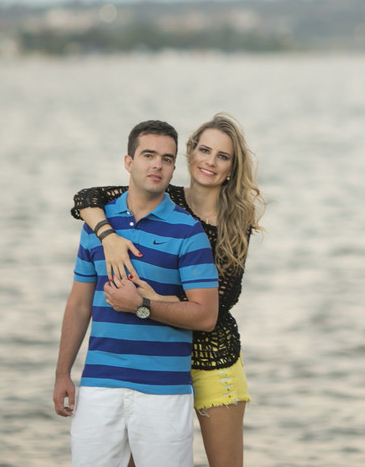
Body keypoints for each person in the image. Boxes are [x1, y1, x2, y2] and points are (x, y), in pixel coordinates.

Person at [71, 113, 266, 467]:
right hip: (157, 355)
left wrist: (150, 299)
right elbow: (86, 197)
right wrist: (108, 237)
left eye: (222, 156)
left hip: (212, 358)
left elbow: (220, 303)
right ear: (188, 155)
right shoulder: (165, 196)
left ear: (232, 168)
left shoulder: (238, 219)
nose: (210, 161)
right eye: (204, 150)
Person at [53, 120, 220, 467]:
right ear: (129, 162)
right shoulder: (97, 226)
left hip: (164, 391)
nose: (157, 164)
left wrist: (142, 305)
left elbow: (205, 316)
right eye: (148, 155)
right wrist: (62, 372)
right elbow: (80, 303)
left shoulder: (189, 232)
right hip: (99, 384)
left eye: (167, 159)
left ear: (175, 168)